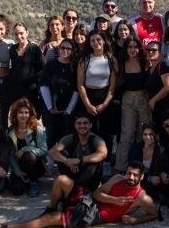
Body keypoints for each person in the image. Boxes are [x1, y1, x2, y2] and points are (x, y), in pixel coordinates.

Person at [0, 161, 159, 228]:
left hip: (94, 214)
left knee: (47, 220)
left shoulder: (142, 198)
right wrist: (115, 200)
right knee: (61, 180)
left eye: (135, 175)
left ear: (142, 177)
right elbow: (98, 193)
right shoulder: (117, 179)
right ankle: (52, 207)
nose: (131, 177)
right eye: (129, 173)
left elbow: (154, 214)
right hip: (91, 198)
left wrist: (134, 220)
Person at [77, 31, 118, 163]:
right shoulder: (85, 60)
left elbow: (112, 86)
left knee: (106, 132)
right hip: (88, 97)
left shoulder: (111, 59)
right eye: (93, 40)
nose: (96, 43)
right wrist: (88, 105)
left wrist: (105, 104)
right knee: (89, 130)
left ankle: (105, 162)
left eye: (98, 39)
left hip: (105, 97)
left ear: (104, 41)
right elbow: (80, 84)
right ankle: (90, 160)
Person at [48, 114, 109, 197]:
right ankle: (71, 188)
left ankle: (80, 190)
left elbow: (103, 154)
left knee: (95, 160)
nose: (82, 126)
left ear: (90, 125)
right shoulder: (69, 138)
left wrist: (80, 160)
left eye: (85, 123)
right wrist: (67, 161)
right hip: (73, 173)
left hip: (89, 177)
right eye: (79, 123)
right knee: (62, 154)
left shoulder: (96, 139)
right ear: (75, 125)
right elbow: (52, 151)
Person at [116, 38, 151, 173]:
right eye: (129, 47)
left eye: (135, 47)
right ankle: (121, 167)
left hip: (143, 98)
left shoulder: (144, 62)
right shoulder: (122, 63)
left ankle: (142, 166)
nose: (132, 50)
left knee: (143, 133)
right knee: (127, 133)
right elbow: (117, 81)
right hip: (128, 99)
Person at [39, 39, 79, 149]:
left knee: (66, 138)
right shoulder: (50, 65)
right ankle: (51, 163)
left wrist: (69, 110)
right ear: (59, 49)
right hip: (51, 109)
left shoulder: (75, 67)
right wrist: (50, 107)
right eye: (62, 48)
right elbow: (44, 85)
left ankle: (64, 162)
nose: (65, 50)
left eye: (68, 48)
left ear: (72, 50)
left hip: (68, 111)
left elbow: (77, 89)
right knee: (50, 137)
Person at [7, 97, 48, 198]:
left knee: (28, 155)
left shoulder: (37, 129)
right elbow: (10, 154)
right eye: (20, 112)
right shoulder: (10, 131)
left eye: (26, 112)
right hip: (20, 166)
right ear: (15, 114)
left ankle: (34, 182)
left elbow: (44, 150)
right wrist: (17, 171)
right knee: (16, 190)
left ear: (30, 114)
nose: (23, 115)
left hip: (36, 165)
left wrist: (25, 149)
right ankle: (24, 179)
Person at [4, 22, 45, 115]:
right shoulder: (12, 50)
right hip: (15, 92)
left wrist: (30, 79)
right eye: (16, 34)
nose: (19, 36)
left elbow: (44, 69)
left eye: (21, 33)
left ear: (27, 33)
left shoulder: (34, 49)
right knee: (17, 119)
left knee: (31, 118)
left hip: (30, 92)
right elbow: (12, 69)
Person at [143, 40, 169, 122]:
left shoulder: (163, 66)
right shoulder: (149, 69)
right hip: (157, 107)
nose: (150, 52)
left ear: (160, 53)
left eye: (154, 50)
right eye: (148, 50)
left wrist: (153, 100)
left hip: (167, 107)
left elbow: (168, 87)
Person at [129, 123, 163, 201]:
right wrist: (149, 178)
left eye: (151, 134)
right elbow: (132, 168)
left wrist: (163, 175)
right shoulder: (135, 148)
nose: (148, 137)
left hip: (154, 183)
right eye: (145, 134)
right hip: (138, 180)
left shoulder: (161, 150)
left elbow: (163, 168)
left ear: (155, 135)